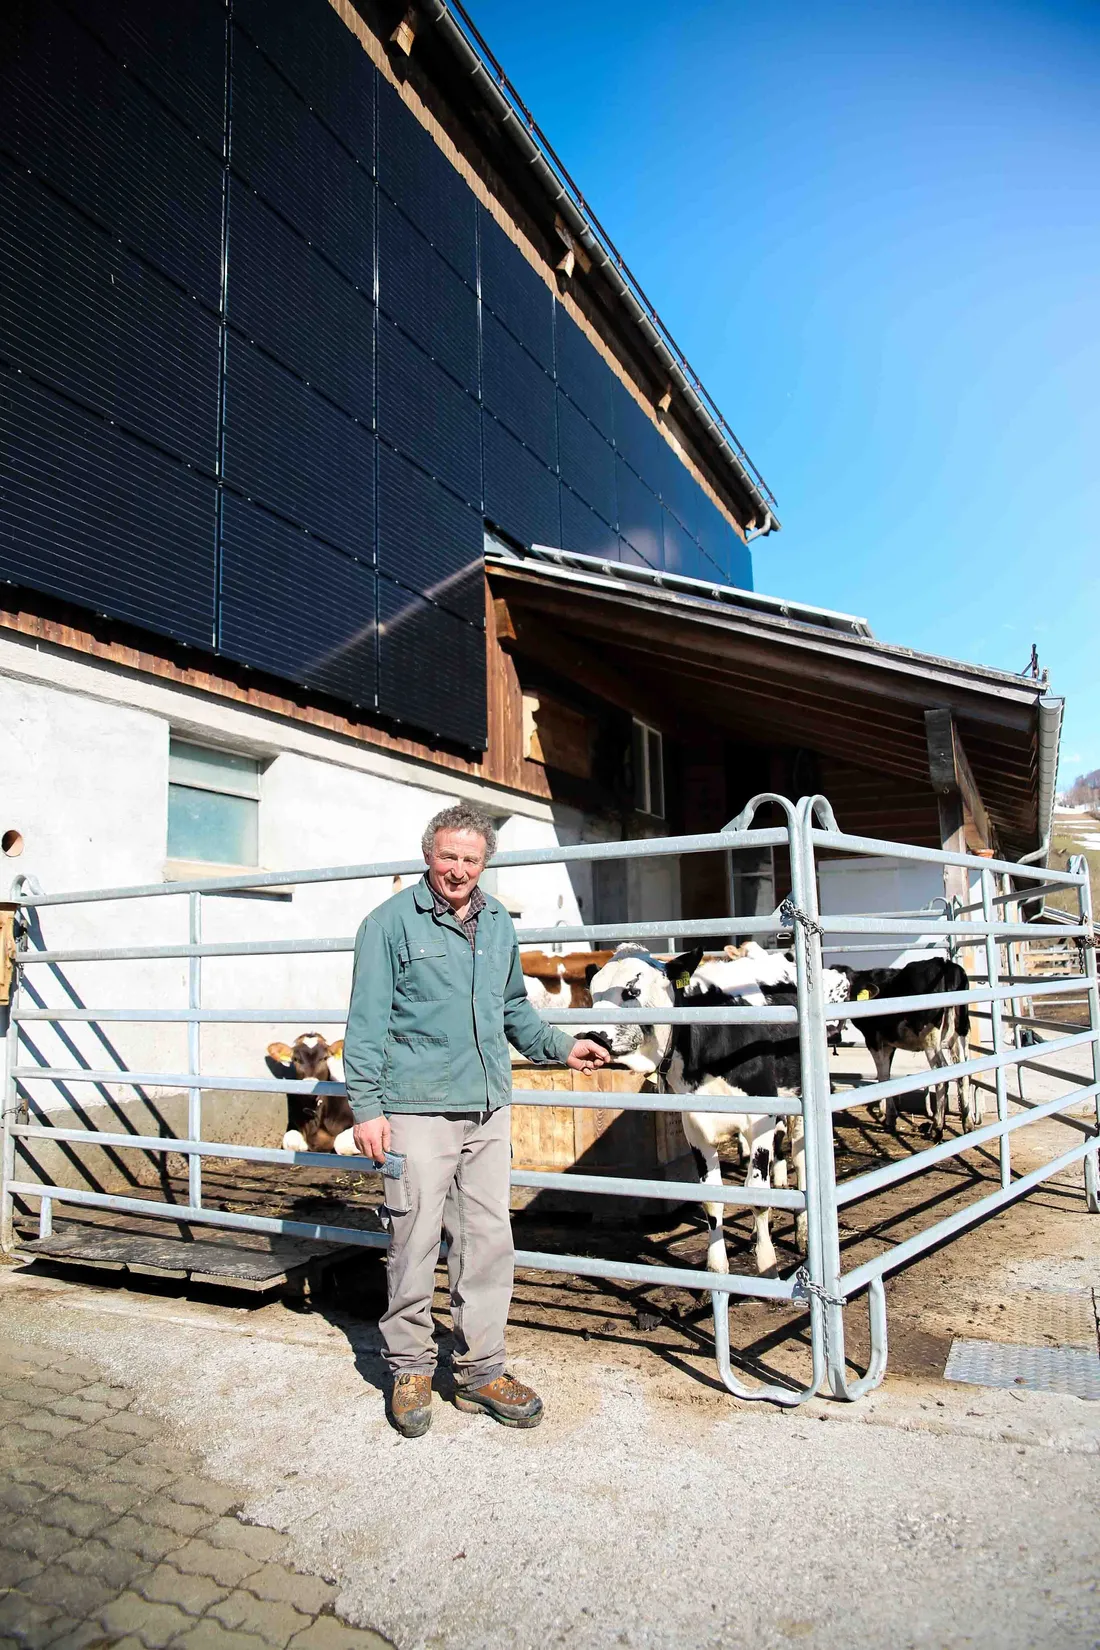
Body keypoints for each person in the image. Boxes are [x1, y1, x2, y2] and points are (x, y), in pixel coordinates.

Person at [343, 803, 612, 1438]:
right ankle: (409, 1368)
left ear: (485, 862)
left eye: (471, 858)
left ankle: (479, 1371)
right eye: (448, 856)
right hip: (417, 1109)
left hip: (488, 1110)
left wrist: (560, 1047)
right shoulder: (387, 926)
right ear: (427, 856)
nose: (458, 869)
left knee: (489, 1242)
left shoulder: (496, 924)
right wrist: (368, 1109)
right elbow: (366, 1022)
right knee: (412, 1241)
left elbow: (513, 1006)